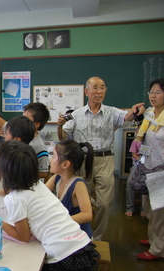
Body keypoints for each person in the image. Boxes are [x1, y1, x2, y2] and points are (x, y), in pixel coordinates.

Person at [0, 141, 100, 271]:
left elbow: (23, 236)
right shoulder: (37, 185)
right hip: (80, 246)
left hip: (61, 256)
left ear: (4, 170)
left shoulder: (14, 199)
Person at [57, 77, 145, 241]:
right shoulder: (75, 115)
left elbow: (127, 117)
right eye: (95, 87)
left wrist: (134, 111)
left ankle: (96, 238)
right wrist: (59, 125)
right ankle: (79, 234)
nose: (99, 91)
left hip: (104, 159)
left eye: (103, 88)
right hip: (82, 160)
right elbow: (64, 138)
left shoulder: (112, 112)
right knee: (79, 200)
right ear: (86, 92)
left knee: (104, 203)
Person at [135, 78, 164, 261]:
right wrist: (139, 152)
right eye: (151, 91)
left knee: (161, 212)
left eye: (158, 92)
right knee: (148, 207)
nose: (153, 95)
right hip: (148, 168)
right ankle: (154, 239)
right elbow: (146, 139)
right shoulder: (149, 114)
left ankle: (158, 250)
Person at [0, 103, 50, 179]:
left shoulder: (39, 147)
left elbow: (43, 173)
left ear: (36, 124)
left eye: (26, 119)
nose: (4, 136)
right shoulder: (17, 129)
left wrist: (19, 174)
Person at [45, 140, 94, 238]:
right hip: (65, 232)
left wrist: (60, 221)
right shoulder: (56, 178)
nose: (50, 160)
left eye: (53, 156)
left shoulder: (78, 185)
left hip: (80, 237)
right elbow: (40, 194)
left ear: (65, 164)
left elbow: (87, 215)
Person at [0, 116, 36, 198]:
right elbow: (15, 189)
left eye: (7, 133)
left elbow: (18, 191)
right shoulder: (27, 153)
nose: (4, 136)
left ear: (16, 139)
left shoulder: (18, 159)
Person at [125, 123, 145, 217]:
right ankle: (130, 208)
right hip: (137, 165)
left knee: (146, 185)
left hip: (149, 166)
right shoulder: (136, 141)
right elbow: (133, 153)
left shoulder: (151, 141)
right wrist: (140, 160)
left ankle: (144, 209)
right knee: (130, 184)